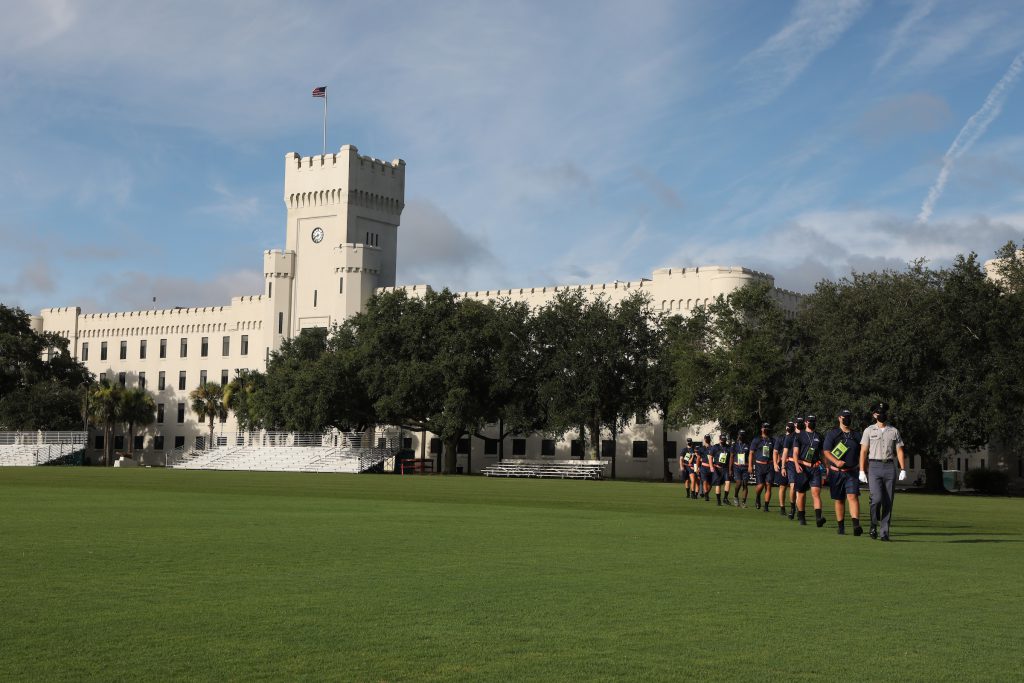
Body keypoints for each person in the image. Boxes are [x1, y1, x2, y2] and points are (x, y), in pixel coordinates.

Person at [859, 402, 907, 541]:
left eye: (884, 412)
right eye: (879, 412)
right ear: (874, 415)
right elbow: (863, 451)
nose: (882, 415)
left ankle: (884, 532)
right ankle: (873, 524)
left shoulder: (894, 431)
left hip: (889, 467)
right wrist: (862, 470)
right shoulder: (869, 430)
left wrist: (903, 468)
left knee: (888, 501)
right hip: (874, 466)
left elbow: (899, 450)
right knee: (876, 499)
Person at [823, 409, 863, 536]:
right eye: (845, 417)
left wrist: (863, 469)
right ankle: (841, 527)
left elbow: (863, 453)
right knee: (839, 499)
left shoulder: (857, 435)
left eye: (849, 417)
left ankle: (856, 526)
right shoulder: (833, 434)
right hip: (836, 472)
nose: (847, 419)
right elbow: (826, 452)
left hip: (852, 472)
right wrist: (836, 461)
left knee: (853, 496)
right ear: (839, 418)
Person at [792, 415, 826, 527]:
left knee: (816, 492)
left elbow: (823, 453)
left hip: (815, 467)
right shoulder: (799, 436)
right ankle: (801, 517)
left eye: (814, 421)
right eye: (810, 421)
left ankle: (818, 518)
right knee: (801, 493)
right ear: (806, 422)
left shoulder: (819, 436)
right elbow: (795, 453)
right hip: (802, 467)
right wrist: (796, 464)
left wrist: (827, 466)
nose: (812, 423)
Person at [750, 423, 774, 512]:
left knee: (768, 485)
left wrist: (776, 462)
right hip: (759, 465)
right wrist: (750, 466)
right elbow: (751, 453)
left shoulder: (772, 440)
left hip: (769, 465)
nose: (766, 429)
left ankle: (766, 506)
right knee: (760, 485)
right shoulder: (757, 440)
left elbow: (776, 452)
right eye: (764, 428)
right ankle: (757, 497)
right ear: (761, 429)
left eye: (767, 428)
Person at [774, 421, 793, 516]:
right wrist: (775, 463)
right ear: (786, 427)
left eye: (791, 426)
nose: (789, 428)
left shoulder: (796, 437)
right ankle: (782, 507)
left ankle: (793, 508)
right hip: (783, 464)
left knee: (793, 487)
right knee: (782, 486)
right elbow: (775, 451)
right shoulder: (781, 438)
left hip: (793, 463)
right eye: (788, 426)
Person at [786, 416, 803, 519]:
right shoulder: (790, 437)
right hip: (792, 463)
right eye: (798, 422)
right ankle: (792, 507)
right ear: (795, 424)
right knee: (793, 486)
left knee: (800, 489)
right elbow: (785, 452)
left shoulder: (806, 435)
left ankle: (799, 509)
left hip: (803, 464)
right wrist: (783, 466)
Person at [730, 429, 751, 507]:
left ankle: (743, 502)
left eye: (743, 435)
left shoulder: (748, 444)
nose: (741, 436)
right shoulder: (734, 445)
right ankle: (735, 496)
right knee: (738, 483)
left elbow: (750, 456)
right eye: (740, 435)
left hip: (745, 467)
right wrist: (730, 469)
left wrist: (750, 466)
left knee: (745, 484)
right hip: (737, 466)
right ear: (738, 435)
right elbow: (731, 457)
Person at [710, 433, 731, 506]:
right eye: (722, 440)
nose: (723, 441)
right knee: (718, 484)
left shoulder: (728, 447)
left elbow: (731, 457)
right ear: (719, 440)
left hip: (725, 468)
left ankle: (725, 498)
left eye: (724, 440)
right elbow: (710, 457)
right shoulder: (715, 447)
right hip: (717, 467)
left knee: (728, 482)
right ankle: (718, 501)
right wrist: (711, 466)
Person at [698, 434, 714, 502]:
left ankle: (706, 493)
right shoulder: (701, 448)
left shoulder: (713, 448)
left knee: (711, 483)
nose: (707, 439)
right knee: (704, 481)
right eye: (706, 438)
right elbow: (698, 459)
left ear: (709, 439)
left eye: (708, 438)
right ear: (704, 439)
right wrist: (697, 467)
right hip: (703, 467)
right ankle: (706, 495)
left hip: (711, 468)